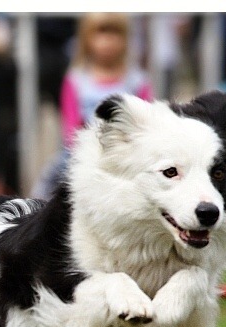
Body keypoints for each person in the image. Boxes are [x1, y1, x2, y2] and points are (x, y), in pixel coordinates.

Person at [33, 13, 153, 199]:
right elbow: (71, 130)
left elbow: (146, 125)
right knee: (49, 184)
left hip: (127, 155)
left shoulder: (137, 81)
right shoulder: (76, 81)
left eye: (114, 34)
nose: (107, 41)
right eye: (101, 33)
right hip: (83, 155)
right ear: (86, 38)